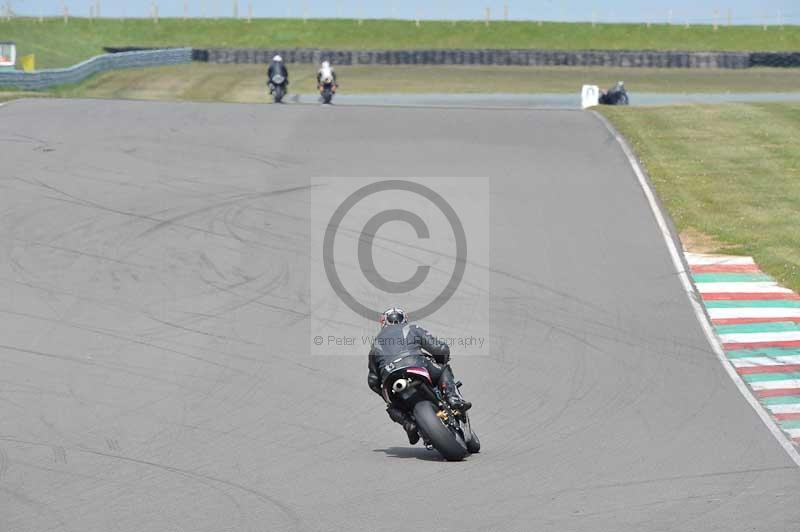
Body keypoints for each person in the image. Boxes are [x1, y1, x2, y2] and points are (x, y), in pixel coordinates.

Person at [367, 307, 471, 445]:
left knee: (392, 406)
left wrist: (385, 395)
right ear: (404, 319)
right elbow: (440, 348)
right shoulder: (411, 328)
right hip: (414, 364)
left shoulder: (375, 343)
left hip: (390, 377)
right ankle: (453, 398)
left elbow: (372, 380)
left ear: (383, 322)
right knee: (443, 370)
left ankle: (408, 423)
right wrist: (442, 359)